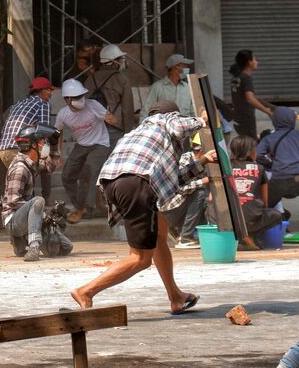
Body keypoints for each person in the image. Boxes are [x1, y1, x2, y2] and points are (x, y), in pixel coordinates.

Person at [71, 100, 215, 313]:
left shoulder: (138, 133)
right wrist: (203, 120)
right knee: (140, 258)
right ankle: (86, 291)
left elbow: (171, 178)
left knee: (159, 237)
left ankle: (175, 296)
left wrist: (201, 161)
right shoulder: (164, 120)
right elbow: (177, 127)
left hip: (116, 183)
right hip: (137, 184)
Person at [55, 79, 111, 224]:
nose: (80, 100)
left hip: (100, 143)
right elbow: (58, 132)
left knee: (89, 171)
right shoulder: (63, 114)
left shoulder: (94, 106)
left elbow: (111, 118)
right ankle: (80, 206)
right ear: (66, 99)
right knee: (67, 175)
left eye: (81, 96)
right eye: (76, 97)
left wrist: (111, 117)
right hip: (81, 145)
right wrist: (57, 153)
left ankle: (85, 208)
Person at [2, 124, 60, 261]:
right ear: (33, 146)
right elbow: (13, 201)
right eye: (42, 142)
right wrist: (41, 213)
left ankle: (21, 242)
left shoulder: (31, 164)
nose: (44, 145)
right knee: (38, 201)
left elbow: (50, 167)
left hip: (25, 215)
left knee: (63, 247)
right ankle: (33, 247)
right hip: (13, 220)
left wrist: (54, 145)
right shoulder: (20, 168)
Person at [0, 77, 56, 204]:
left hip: (3, 150)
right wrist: (47, 157)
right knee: (42, 168)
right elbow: (44, 131)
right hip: (19, 149)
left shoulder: (18, 103)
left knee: (20, 185)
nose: (51, 94)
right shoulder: (43, 104)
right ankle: (45, 201)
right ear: (41, 91)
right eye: (49, 91)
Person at [160, 133, 208, 249]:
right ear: (202, 151)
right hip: (169, 209)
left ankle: (180, 231)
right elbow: (180, 187)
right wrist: (203, 182)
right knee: (199, 194)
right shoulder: (186, 159)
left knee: (202, 196)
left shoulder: (205, 162)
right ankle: (185, 237)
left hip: (179, 206)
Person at [230, 135, 282, 243]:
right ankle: (248, 236)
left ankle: (240, 238)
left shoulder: (225, 168)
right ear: (249, 152)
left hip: (227, 221)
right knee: (276, 215)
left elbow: (212, 198)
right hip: (250, 221)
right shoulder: (259, 168)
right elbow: (265, 202)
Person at [84, 44, 136, 148]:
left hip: (94, 130)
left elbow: (83, 105)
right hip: (114, 128)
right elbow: (127, 110)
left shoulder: (90, 79)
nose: (122, 62)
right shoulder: (122, 79)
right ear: (113, 61)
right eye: (119, 59)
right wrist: (129, 134)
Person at [229, 49, 273, 139]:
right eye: (255, 59)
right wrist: (267, 111)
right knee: (251, 145)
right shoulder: (246, 79)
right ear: (249, 62)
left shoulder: (236, 77)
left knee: (245, 144)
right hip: (246, 118)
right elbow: (250, 99)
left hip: (237, 116)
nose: (257, 62)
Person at [141, 54, 194, 119]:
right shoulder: (157, 87)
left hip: (186, 126)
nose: (187, 69)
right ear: (175, 67)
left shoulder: (188, 88)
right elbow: (147, 110)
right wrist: (143, 126)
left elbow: (193, 112)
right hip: (164, 127)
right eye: (184, 66)